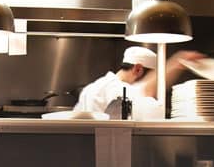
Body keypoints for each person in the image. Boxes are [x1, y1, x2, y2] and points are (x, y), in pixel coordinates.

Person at [74, 46, 206, 116]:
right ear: (138, 69)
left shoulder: (92, 87)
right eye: (154, 75)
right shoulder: (117, 90)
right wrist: (177, 61)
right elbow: (145, 90)